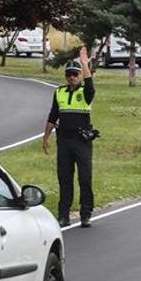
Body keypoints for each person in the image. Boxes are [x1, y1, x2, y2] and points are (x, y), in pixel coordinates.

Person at [42, 46, 95, 228]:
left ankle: (85, 213)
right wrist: (45, 137)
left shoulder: (86, 93)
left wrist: (84, 64)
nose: (72, 77)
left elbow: (89, 82)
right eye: (69, 74)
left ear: (80, 75)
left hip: (82, 141)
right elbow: (52, 115)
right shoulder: (59, 92)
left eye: (75, 74)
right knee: (64, 178)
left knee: (85, 178)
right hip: (64, 140)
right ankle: (63, 215)